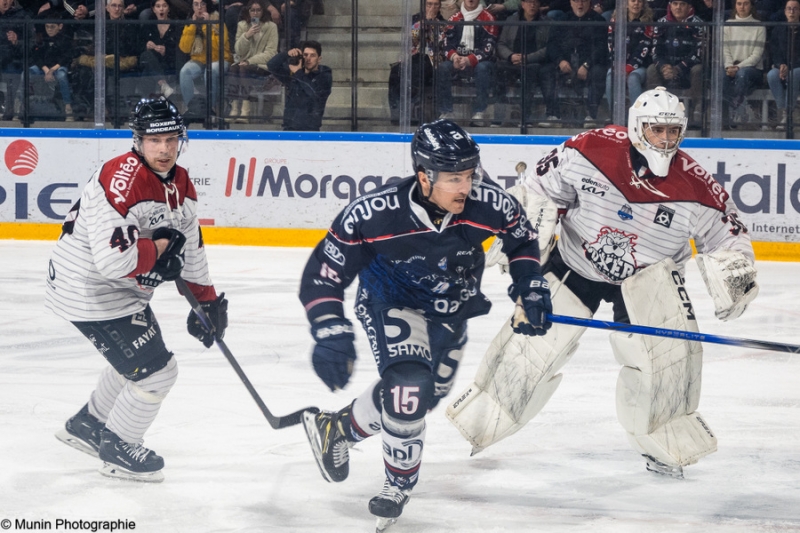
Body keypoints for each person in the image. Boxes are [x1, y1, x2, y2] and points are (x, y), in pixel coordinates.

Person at [451, 87, 759, 480]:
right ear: (636, 127)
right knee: (528, 349)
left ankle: (664, 444)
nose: (665, 140)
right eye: (655, 130)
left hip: (650, 282)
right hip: (576, 264)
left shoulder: (696, 184)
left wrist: (735, 271)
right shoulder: (588, 149)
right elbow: (538, 192)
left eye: (672, 131)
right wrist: (522, 235)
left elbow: (730, 236)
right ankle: (484, 420)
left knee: (666, 366)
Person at [299, 119, 552, 529]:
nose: (465, 187)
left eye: (468, 174)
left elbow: (521, 241)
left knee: (420, 398)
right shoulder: (374, 214)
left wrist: (532, 286)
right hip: (392, 301)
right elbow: (323, 274)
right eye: (454, 177)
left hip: (452, 311)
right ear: (424, 176)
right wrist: (330, 329)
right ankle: (397, 484)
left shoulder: (490, 204)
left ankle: (337, 429)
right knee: (408, 390)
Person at [46, 96, 228, 483]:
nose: (164, 150)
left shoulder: (179, 181)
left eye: (171, 140)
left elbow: (190, 242)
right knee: (157, 372)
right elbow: (113, 262)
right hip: (89, 289)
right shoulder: (121, 180)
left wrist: (206, 300)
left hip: (122, 289)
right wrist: (159, 248)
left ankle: (87, 425)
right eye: (154, 141)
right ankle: (119, 446)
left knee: (141, 361)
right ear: (137, 140)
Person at [542, 0, 609, 128]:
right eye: (577, 1)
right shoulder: (562, 20)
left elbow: (601, 47)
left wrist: (586, 65)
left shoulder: (598, 21)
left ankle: (591, 115)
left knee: (599, 72)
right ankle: (553, 115)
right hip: (565, 63)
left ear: (589, 2)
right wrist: (560, 60)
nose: (580, 4)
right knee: (546, 71)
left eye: (583, 1)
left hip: (589, 64)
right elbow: (552, 45)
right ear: (571, 2)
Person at [436, 0, 499, 127]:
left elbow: (489, 47)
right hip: (458, 61)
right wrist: (454, 57)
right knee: (443, 68)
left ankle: (479, 111)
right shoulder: (455, 18)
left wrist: (470, 59)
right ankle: (447, 111)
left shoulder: (489, 18)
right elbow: (446, 43)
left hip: (480, 62)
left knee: (483, 68)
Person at [646, 0, 706, 124]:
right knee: (652, 69)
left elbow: (699, 53)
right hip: (667, 69)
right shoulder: (661, 23)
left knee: (699, 69)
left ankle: (696, 111)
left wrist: (678, 68)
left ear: (689, 6)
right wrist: (663, 67)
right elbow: (655, 51)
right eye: (675, 4)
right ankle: (656, 110)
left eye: (682, 4)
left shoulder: (699, 24)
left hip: (688, 69)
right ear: (670, 5)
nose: (678, 7)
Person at [495, 0, 553, 125]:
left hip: (533, 62)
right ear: (522, 4)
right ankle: (498, 117)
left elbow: (548, 48)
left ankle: (525, 117)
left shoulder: (546, 23)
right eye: (529, 2)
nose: (532, 5)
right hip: (512, 61)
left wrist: (528, 58)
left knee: (531, 73)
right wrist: (510, 56)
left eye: (535, 3)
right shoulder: (512, 20)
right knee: (498, 70)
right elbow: (501, 44)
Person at [387, 0, 445, 125]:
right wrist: (423, 24)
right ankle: (396, 110)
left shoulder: (444, 22)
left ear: (440, 6)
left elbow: (438, 43)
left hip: (432, 60)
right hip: (413, 56)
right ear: (424, 5)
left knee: (420, 70)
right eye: (429, 4)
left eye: (435, 5)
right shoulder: (415, 19)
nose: (432, 7)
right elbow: (411, 39)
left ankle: (416, 112)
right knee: (396, 72)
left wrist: (431, 24)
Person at [178, 0, 232, 116]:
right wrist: (192, 25)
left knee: (211, 70)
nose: (199, 8)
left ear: (207, 6)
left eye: (202, 4)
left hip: (220, 59)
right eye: (196, 4)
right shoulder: (191, 22)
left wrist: (208, 25)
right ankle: (192, 108)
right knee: (184, 72)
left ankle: (209, 108)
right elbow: (185, 48)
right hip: (200, 59)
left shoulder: (217, 21)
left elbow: (219, 47)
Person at [227, 0, 278, 123]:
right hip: (243, 64)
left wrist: (250, 61)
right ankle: (234, 109)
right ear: (248, 11)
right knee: (233, 68)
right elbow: (238, 51)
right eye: (252, 10)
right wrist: (246, 35)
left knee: (243, 68)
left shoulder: (271, 27)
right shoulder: (242, 25)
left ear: (263, 11)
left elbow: (270, 53)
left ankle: (245, 111)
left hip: (262, 66)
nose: (255, 13)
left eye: (258, 10)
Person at [267, 39, 331, 130]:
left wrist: (298, 72)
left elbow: (313, 93)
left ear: (319, 59)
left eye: (312, 55)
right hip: (289, 128)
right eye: (305, 55)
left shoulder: (324, 75)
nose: (308, 59)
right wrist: (287, 54)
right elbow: (271, 65)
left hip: (310, 131)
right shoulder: (296, 75)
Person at [605, 0, 654, 118]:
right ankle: (614, 115)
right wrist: (618, 65)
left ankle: (637, 117)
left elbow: (644, 47)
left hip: (641, 66)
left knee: (633, 78)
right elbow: (611, 45)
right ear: (626, 3)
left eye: (639, 1)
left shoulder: (648, 23)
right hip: (619, 64)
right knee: (611, 74)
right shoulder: (615, 21)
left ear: (643, 4)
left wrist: (629, 67)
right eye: (632, 1)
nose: (636, 4)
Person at [722, 0, 765, 127]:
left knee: (742, 74)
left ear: (751, 6)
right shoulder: (728, 25)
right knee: (721, 76)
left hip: (752, 69)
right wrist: (729, 66)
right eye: (739, 3)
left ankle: (735, 109)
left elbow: (756, 55)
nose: (742, 7)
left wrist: (737, 67)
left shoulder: (759, 26)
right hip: (731, 66)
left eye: (746, 3)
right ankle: (726, 115)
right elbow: (725, 49)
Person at [30, 20, 75, 121]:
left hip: (59, 67)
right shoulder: (42, 40)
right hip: (43, 68)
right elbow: (37, 57)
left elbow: (66, 58)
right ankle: (20, 103)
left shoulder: (65, 40)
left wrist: (52, 70)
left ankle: (68, 106)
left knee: (62, 76)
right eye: (47, 27)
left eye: (52, 27)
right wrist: (46, 69)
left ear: (60, 26)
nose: (49, 30)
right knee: (28, 72)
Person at [766, 0, 800, 129]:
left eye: (795, 9)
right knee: (771, 75)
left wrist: (788, 67)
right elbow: (774, 51)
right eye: (789, 9)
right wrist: (780, 64)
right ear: (785, 11)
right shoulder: (778, 29)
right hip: (783, 67)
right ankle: (784, 111)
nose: (792, 12)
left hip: (797, 68)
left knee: (794, 74)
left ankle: (788, 113)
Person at [138, 0, 181, 98]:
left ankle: (147, 102)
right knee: (146, 55)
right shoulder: (148, 25)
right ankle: (163, 84)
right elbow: (137, 46)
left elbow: (180, 50)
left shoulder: (176, 26)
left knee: (147, 72)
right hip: (151, 60)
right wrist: (146, 45)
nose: (161, 9)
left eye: (164, 6)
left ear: (168, 8)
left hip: (167, 62)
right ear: (153, 9)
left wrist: (166, 51)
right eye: (158, 6)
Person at [0, 0, 26, 120]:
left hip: (13, 59)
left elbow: (31, 42)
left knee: (11, 75)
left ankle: (10, 109)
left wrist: (17, 41)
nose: (5, 1)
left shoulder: (22, 16)